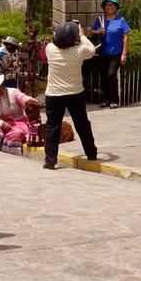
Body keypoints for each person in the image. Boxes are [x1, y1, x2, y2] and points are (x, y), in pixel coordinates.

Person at [43, 21, 98, 170]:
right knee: (82, 124)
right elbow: (91, 49)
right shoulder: (80, 51)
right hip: (75, 93)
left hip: (54, 94)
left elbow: (56, 40)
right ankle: (91, 153)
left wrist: (60, 31)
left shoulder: (50, 49)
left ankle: (50, 160)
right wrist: (82, 34)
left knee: (52, 126)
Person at [89, 0, 131, 109]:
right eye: (107, 5)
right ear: (104, 7)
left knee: (111, 75)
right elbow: (90, 31)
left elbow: (126, 37)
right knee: (103, 76)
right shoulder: (100, 19)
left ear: (116, 7)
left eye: (112, 5)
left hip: (116, 54)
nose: (110, 7)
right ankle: (105, 99)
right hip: (103, 53)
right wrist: (97, 31)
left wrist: (124, 54)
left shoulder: (121, 20)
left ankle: (114, 100)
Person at [0, 72, 37, 154]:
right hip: (2, 125)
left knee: (16, 133)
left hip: (19, 122)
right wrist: (2, 124)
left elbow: (22, 98)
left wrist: (29, 101)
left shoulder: (13, 92)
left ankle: (7, 144)